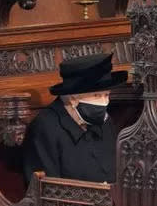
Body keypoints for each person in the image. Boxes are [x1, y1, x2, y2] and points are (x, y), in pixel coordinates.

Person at [22, 52, 127, 185]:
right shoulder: (44, 128)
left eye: (106, 95)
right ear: (72, 98)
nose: (104, 102)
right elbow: (46, 191)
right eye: (96, 95)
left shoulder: (105, 121)